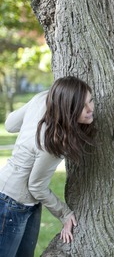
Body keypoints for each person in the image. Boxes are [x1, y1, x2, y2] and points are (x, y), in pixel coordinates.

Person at [0, 76, 96, 257]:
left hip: (25, 202)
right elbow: (36, 186)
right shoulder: (53, 140)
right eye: (82, 106)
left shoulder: (44, 98)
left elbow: (10, 124)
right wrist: (65, 214)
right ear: (67, 109)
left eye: (90, 100)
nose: (90, 109)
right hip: (10, 203)